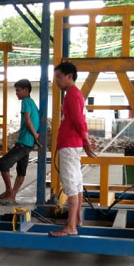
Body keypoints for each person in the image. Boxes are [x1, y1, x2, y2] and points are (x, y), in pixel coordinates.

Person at [49, 61, 96, 237]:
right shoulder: (76, 94)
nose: (57, 81)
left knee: (70, 184)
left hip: (69, 143)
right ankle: (75, 220)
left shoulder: (72, 95)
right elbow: (80, 120)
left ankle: (71, 227)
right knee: (76, 183)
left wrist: (86, 141)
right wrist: (85, 139)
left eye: (59, 77)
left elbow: (77, 120)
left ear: (70, 76)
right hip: (73, 143)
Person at [0, 79, 40, 205]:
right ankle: (12, 196)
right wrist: (35, 136)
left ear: (26, 90)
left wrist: (35, 135)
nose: (16, 93)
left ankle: (9, 191)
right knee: (21, 169)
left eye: (18, 90)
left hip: (25, 141)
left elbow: (28, 120)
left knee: (3, 163)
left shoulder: (26, 101)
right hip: (28, 143)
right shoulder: (32, 103)